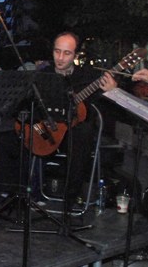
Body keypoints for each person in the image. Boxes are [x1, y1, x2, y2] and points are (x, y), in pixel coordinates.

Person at [44, 32, 116, 205]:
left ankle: (70, 198)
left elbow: (107, 110)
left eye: (67, 53)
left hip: (73, 133)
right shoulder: (43, 75)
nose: (60, 58)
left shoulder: (88, 77)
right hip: (45, 131)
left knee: (83, 133)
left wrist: (112, 92)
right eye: (57, 51)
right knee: (18, 133)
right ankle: (26, 193)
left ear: (75, 56)